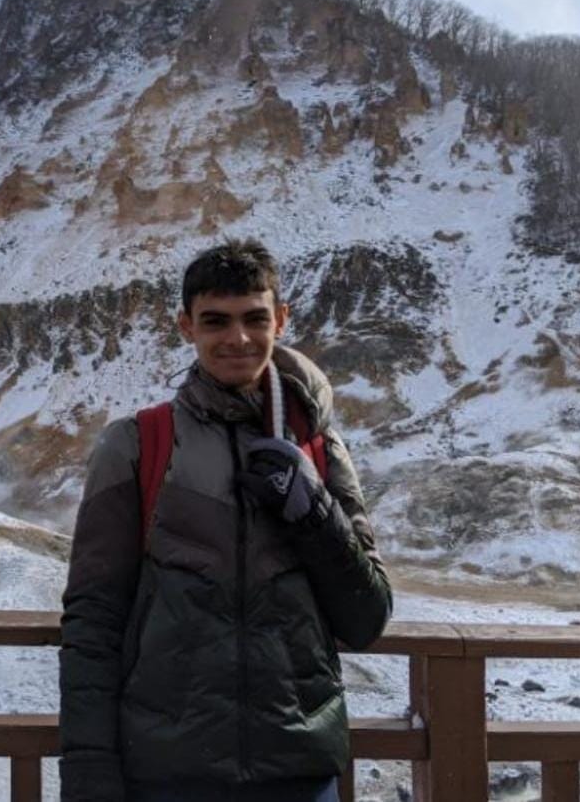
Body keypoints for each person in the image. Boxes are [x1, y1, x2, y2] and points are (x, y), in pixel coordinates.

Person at [59, 239, 393, 802]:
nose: (237, 338)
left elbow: (367, 619)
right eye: (216, 321)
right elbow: (94, 618)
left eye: (254, 319)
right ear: (186, 326)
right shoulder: (138, 445)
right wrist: (89, 769)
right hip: (168, 774)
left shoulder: (318, 448)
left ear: (281, 320)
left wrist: (314, 514)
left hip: (298, 772)